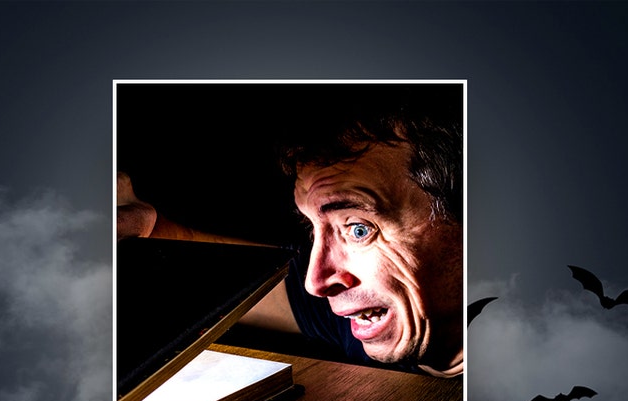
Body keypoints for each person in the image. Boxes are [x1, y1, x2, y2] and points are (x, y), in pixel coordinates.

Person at [117, 89, 464, 378]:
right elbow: (230, 282)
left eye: (358, 229)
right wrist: (147, 228)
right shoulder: (369, 313)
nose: (318, 282)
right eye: (313, 227)